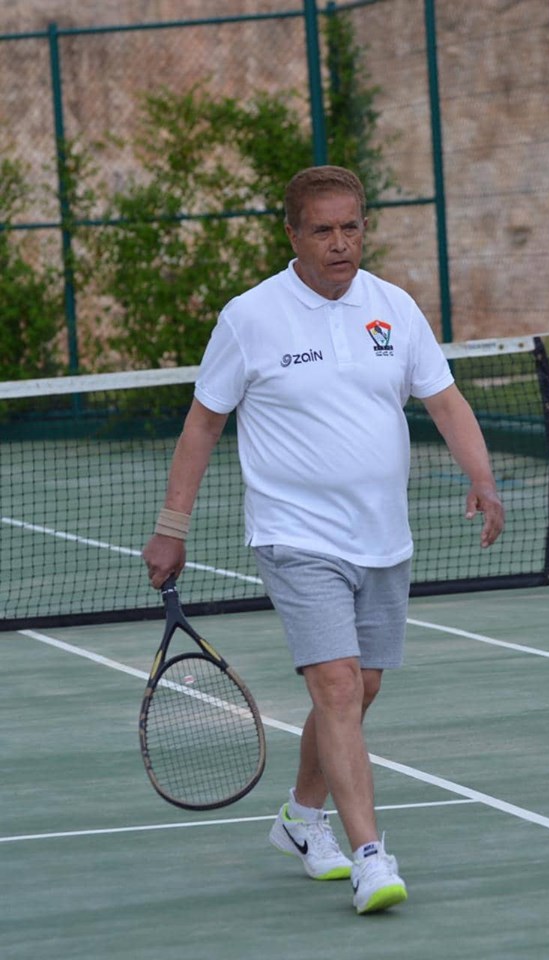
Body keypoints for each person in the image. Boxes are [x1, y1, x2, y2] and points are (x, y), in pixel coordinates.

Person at [142, 165, 504, 916]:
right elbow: (202, 425)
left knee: (361, 688)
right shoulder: (250, 317)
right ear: (292, 235)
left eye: (351, 227)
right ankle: (371, 856)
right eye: (322, 230)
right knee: (336, 686)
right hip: (294, 535)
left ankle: (301, 818)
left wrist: (483, 478)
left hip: (384, 537)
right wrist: (171, 529)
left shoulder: (394, 308)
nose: (340, 243)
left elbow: (444, 400)